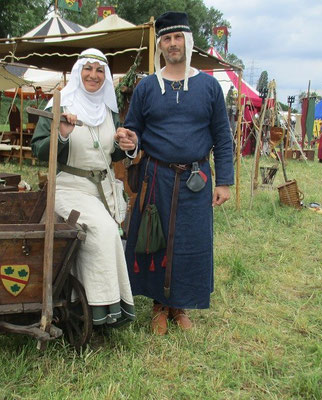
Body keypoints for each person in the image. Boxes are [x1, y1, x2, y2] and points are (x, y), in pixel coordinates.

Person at [117, 12, 234, 335]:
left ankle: (179, 306)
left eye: (178, 37)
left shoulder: (209, 86)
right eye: (166, 39)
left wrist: (223, 181)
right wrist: (129, 140)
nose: (173, 44)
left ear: (188, 41)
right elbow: (134, 131)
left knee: (188, 242)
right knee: (155, 242)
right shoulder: (146, 87)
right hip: (157, 176)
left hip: (197, 179)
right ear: (160, 45)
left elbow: (223, 137)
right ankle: (158, 306)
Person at [32, 48, 137, 328]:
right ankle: (96, 309)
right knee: (103, 231)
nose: (94, 75)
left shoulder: (107, 110)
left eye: (100, 70)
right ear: (79, 72)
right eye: (88, 69)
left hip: (101, 188)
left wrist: (126, 145)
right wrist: (62, 136)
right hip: (68, 187)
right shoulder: (59, 104)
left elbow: (111, 154)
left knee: (113, 233)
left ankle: (95, 302)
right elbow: (39, 150)